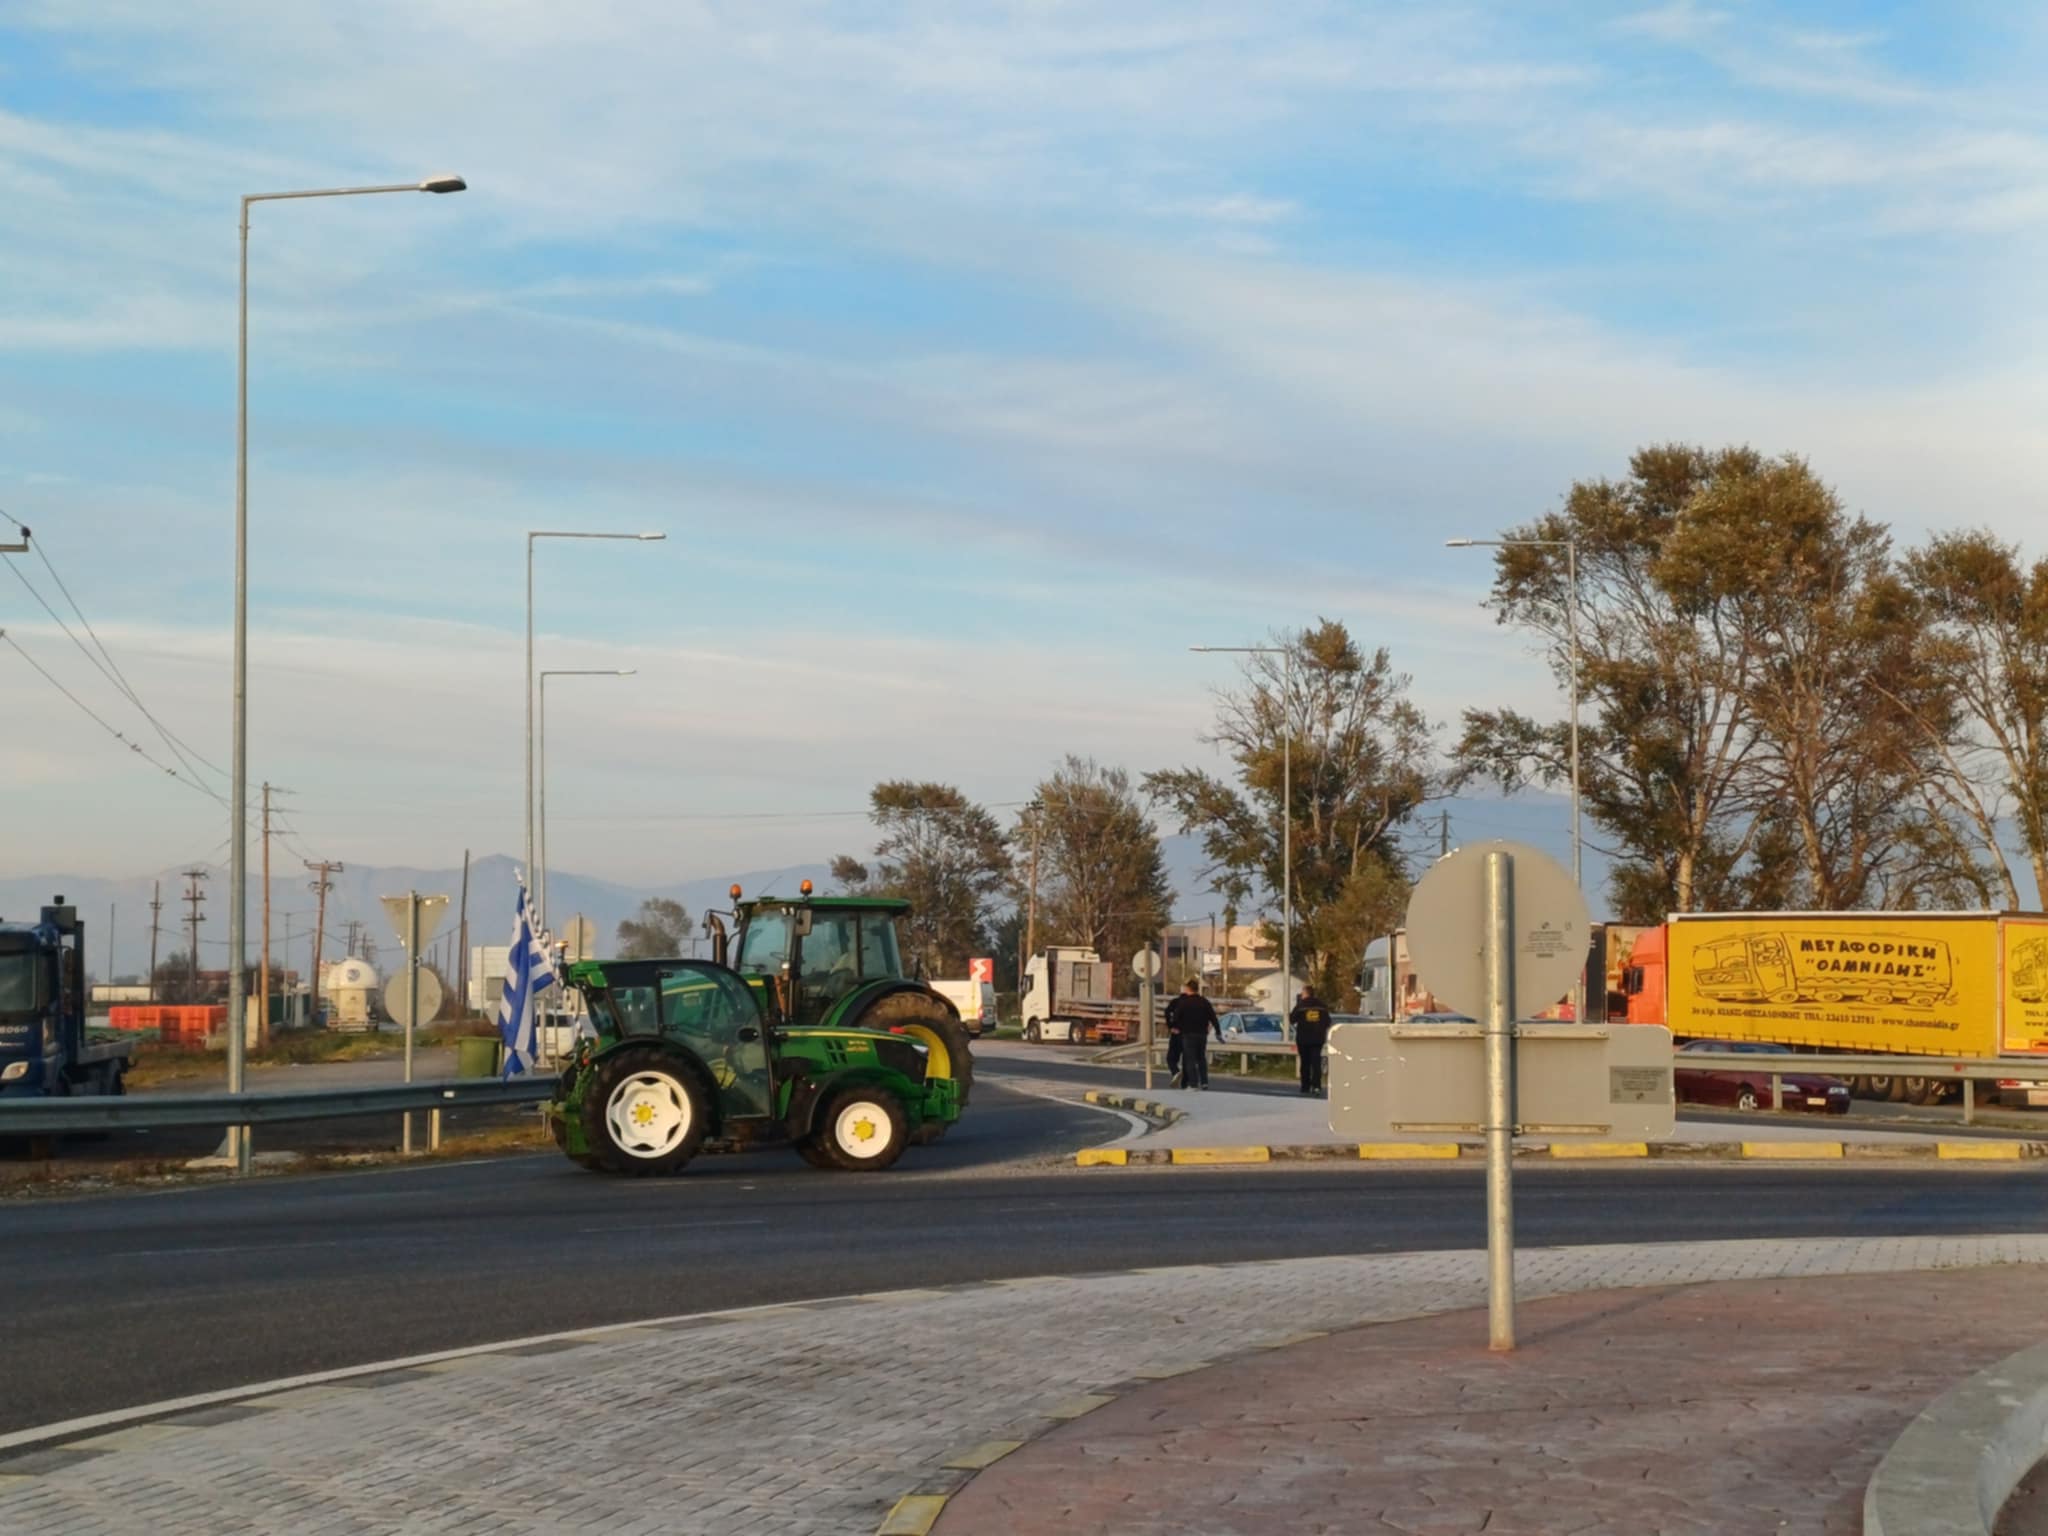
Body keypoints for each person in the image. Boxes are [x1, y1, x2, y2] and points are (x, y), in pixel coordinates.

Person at [1164, 979, 1220, 1089]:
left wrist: (1173, 1027)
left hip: (1188, 1034)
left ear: (1187, 989)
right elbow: (1213, 1017)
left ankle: (1193, 1083)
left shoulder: (1183, 1002)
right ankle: (1204, 1082)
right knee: (1201, 1058)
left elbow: (1176, 1017)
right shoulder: (1204, 1001)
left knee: (1189, 1059)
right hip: (1202, 1034)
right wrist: (1218, 1031)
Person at [1289, 986, 1332, 1095]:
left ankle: (1305, 1086)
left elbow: (1292, 1019)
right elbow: (1328, 1021)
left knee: (1305, 1063)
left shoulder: (1301, 1005)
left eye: (1302, 993)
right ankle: (1317, 1086)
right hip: (1318, 1039)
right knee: (1316, 1062)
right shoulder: (1322, 1005)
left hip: (1304, 1038)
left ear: (1305, 994)